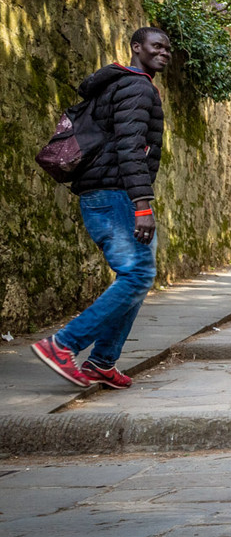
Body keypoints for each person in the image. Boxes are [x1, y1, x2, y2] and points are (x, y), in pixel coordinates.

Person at [31, 27, 172, 390]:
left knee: (139, 276)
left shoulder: (117, 85)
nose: (165, 52)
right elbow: (129, 148)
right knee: (138, 274)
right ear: (136, 48)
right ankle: (63, 345)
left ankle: (102, 362)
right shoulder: (136, 87)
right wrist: (143, 205)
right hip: (114, 194)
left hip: (107, 193)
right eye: (157, 46)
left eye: (168, 48)